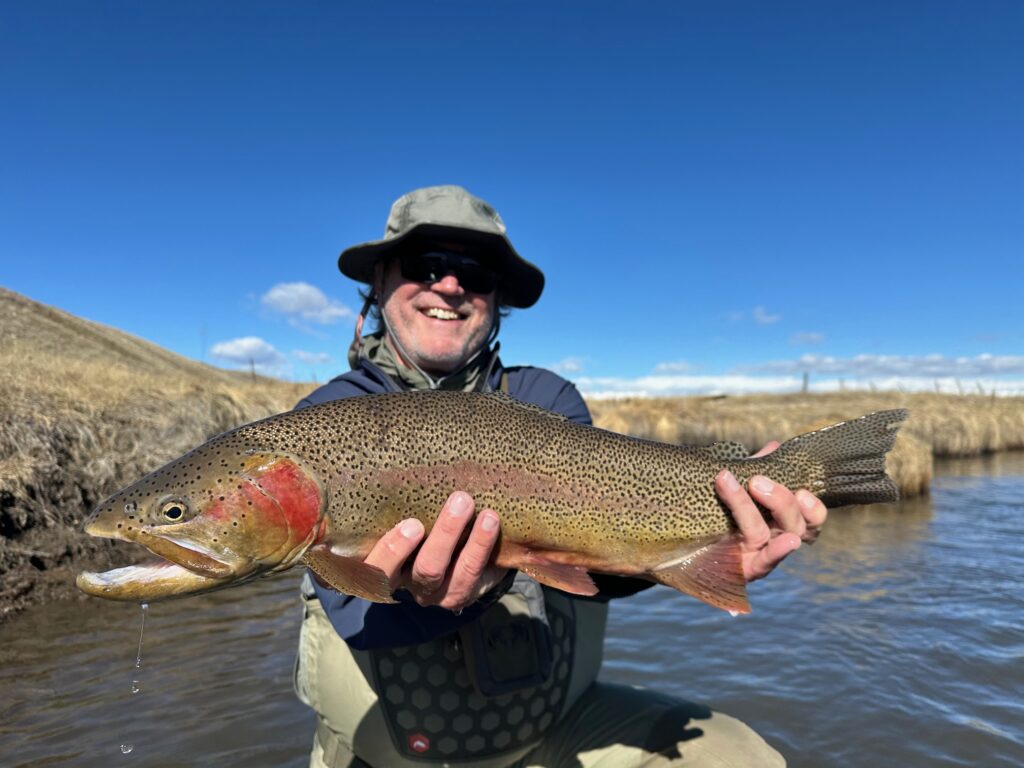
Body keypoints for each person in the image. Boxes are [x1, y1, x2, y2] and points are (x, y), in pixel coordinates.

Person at [293, 185, 827, 768]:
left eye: (475, 273)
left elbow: (591, 549)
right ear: (380, 284)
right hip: (384, 754)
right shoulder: (325, 420)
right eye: (427, 266)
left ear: (498, 301)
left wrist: (701, 552)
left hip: (557, 730)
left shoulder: (544, 399)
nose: (450, 285)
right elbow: (355, 616)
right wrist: (433, 597)